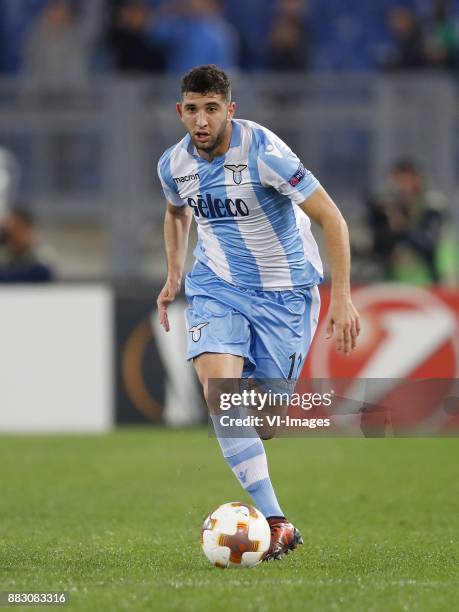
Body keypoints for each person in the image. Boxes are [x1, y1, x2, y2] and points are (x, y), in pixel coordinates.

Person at [156, 65, 360, 561]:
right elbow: (177, 212)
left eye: (211, 109)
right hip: (217, 285)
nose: (201, 120)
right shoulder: (172, 163)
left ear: (230, 109)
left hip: (286, 295)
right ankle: (276, 520)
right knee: (220, 397)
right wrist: (175, 275)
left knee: (264, 421)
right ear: (180, 111)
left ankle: (255, 412)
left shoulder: (265, 153)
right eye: (192, 109)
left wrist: (344, 297)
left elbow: (330, 217)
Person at [366, 160, 447, 284]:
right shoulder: (388, 206)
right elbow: (377, 245)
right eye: (396, 182)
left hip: (429, 280)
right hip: (392, 280)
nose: (401, 188)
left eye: (405, 181)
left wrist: (402, 227)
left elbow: (429, 244)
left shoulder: (431, 207)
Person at [0, 206, 54, 283]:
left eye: (17, 228)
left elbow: (41, 275)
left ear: (28, 229)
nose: (13, 235)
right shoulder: (6, 253)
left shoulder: (42, 255)